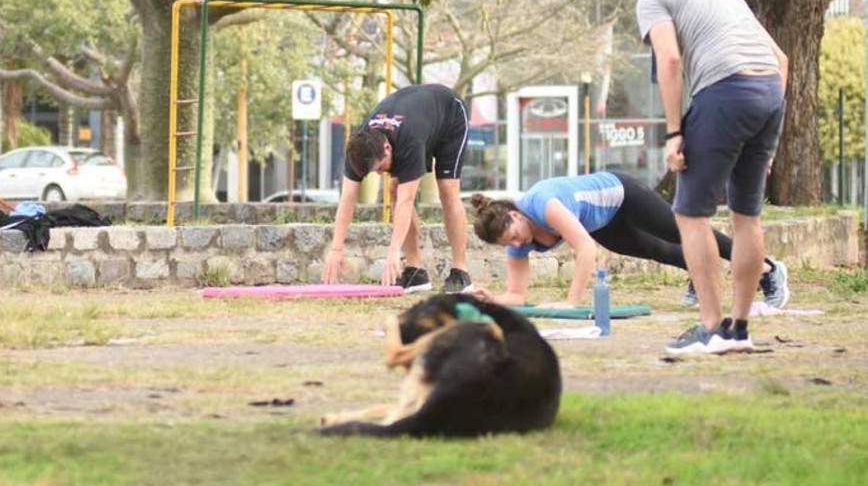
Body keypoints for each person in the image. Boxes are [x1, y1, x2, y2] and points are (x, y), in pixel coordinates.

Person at [630, 0, 787, 355]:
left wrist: (674, 131)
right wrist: (768, 141)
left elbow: (670, 60)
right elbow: (782, 61)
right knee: (747, 215)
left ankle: (712, 327)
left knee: (689, 213)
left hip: (724, 92)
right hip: (770, 93)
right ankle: (739, 327)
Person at [465, 172, 789, 309]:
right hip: (602, 221)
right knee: (655, 250)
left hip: (621, 193)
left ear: (517, 216)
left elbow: (585, 250)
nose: (518, 243)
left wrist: (570, 302)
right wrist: (492, 299)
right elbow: (518, 296)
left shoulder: (543, 205)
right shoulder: (515, 243)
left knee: (684, 231)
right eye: (509, 243)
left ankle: (768, 269)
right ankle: (698, 273)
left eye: (516, 235)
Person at [321, 83, 472, 293]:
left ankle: (460, 272)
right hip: (419, 118)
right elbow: (347, 199)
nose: (380, 172)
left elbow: (406, 201)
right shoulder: (358, 148)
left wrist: (393, 253)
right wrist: (336, 248)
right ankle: (415, 270)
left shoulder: (409, 140)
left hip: (449, 116)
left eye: (382, 166)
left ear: (387, 147)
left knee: (447, 190)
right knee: (393, 188)